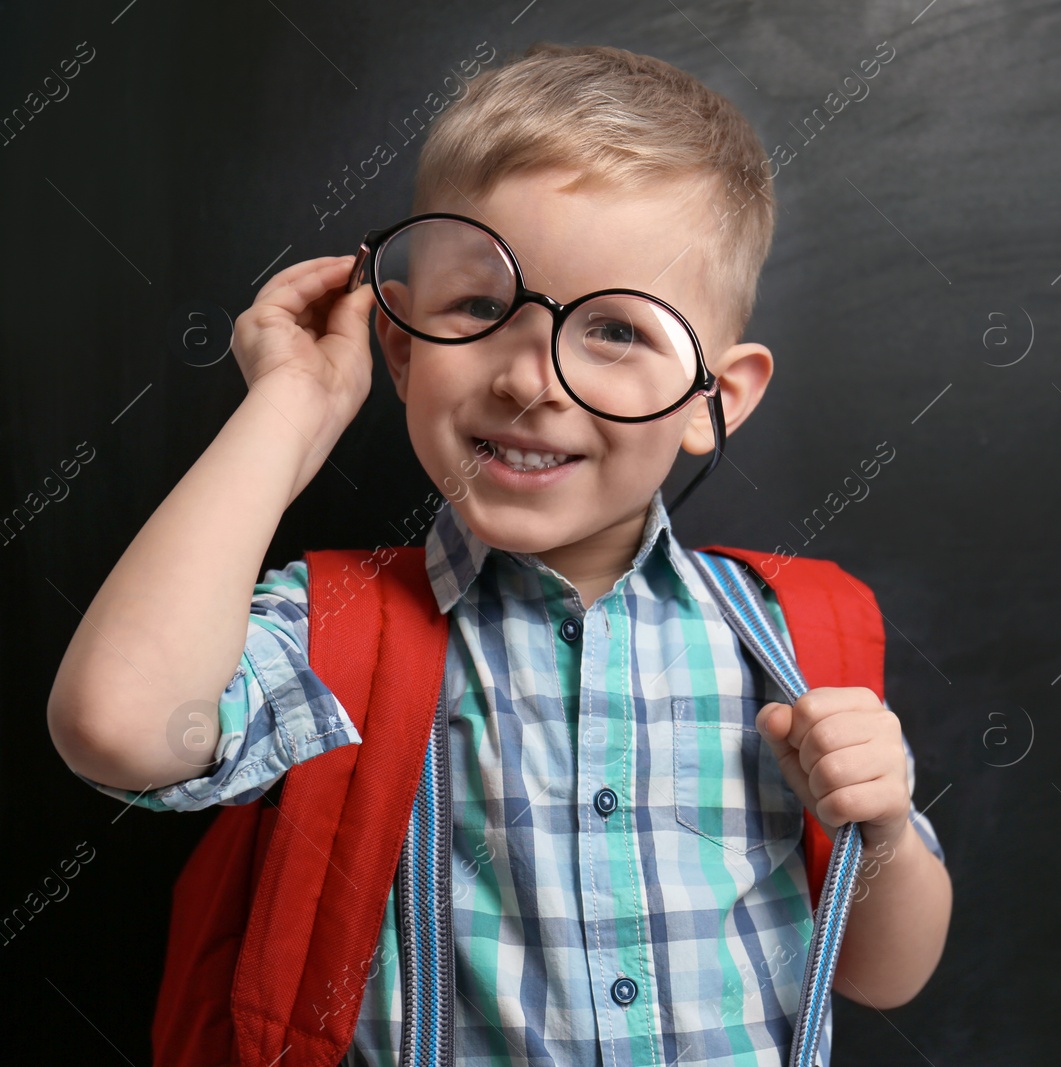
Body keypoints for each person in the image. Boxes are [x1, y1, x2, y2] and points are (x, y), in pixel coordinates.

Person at [45, 40, 951, 1066]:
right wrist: (291, 410)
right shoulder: (338, 630)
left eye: (614, 331)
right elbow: (116, 725)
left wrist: (880, 831)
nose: (531, 379)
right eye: (479, 309)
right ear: (401, 346)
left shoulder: (796, 633)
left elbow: (884, 971)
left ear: (713, 399)